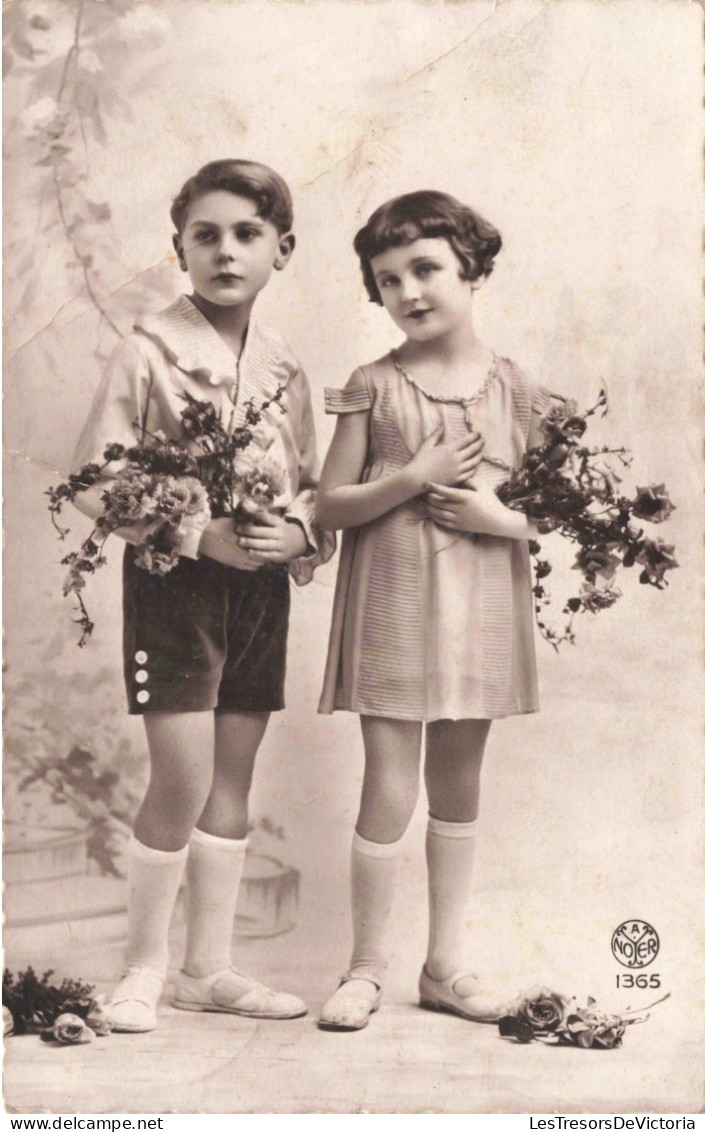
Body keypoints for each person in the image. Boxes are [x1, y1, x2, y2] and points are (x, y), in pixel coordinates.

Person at [71, 159, 333, 1032]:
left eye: (247, 234)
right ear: (179, 248)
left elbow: (310, 481)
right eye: (206, 234)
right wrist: (191, 531)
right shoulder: (150, 349)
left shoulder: (284, 366)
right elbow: (94, 476)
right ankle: (144, 964)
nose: (226, 251)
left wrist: (298, 533)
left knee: (233, 774)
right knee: (180, 776)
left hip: (258, 592)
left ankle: (207, 967)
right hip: (174, 586)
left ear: (280, 250)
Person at [316, 190, 554, 1030]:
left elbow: (573, 513)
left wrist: (502, 520)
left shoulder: (517, 389)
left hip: (480, 607)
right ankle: (364, 968)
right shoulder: (373, 385)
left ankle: (445, 967)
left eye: (425, 269)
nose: (408, 292)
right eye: (388, 280)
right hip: (391, 603)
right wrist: (412, 478)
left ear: (471, 270)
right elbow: (328, 506)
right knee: (388, 781)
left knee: (457, 782)